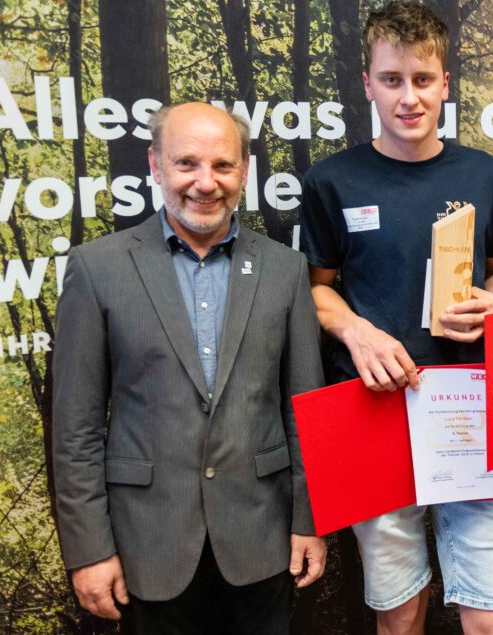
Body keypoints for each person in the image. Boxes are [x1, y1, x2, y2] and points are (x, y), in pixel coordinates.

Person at [52, 102, 326, 634]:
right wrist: (88, 551)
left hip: (260, 540)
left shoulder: (284, 269)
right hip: (147, 547)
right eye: (187, 164)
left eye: (223, 166)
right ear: (156, 166)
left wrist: (308, 520)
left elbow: (304, 409)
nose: (206, 183)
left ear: (244, 171)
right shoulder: (97, 269)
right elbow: (76, 430)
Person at [300, 0, 493, 634]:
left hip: (473, 406)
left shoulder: (483, 173)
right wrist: (357, 330)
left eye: (422, 80)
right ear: (368, 83)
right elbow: (315, 291)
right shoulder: (331, 181)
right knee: (399, 613)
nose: (408, 98)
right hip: (373, 406)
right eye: (392, 80)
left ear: (445, 84)